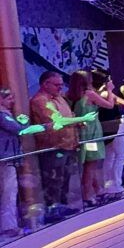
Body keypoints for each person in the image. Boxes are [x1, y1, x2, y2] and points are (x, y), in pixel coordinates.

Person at [30, 71, 82, 221]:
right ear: (45, 84)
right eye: (56, 85)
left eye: (61, 84)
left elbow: (70, 116)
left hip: (68, 145)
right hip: (53, 148)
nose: (60, 87)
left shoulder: (59, 98)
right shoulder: (39, 100)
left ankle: (63, 206)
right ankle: (52, 211)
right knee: (53, 181)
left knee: (64, 179)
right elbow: (56, 121)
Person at [67, 69, 115, 208]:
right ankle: (87, 196)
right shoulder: (89, 94)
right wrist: (110, 90)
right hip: (92, 134)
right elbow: (110, 105)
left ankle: (97, 190)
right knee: (90, 165)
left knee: (89, 163)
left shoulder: (70, 95)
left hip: (81, 133)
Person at [0, 87, 42, 237]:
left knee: (10, 192)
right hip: (5, 160)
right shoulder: (2, 116)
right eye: (9, 98)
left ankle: (10, 224)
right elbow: (18, 130)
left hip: (8, 159)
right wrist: (43, 127)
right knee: (9, 193)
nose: (12, 101)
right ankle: (8, 227)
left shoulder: (6, 115)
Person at [96, 70, 124, 199]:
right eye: (109, 79)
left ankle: (109, 185)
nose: (112, 81)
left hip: (111, 128)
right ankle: (116, 185)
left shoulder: (105, 93)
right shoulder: (105, 93)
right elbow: (110, 106)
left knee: (110, 157)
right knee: (121, 156)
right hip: (113, 129)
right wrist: (110, 90)